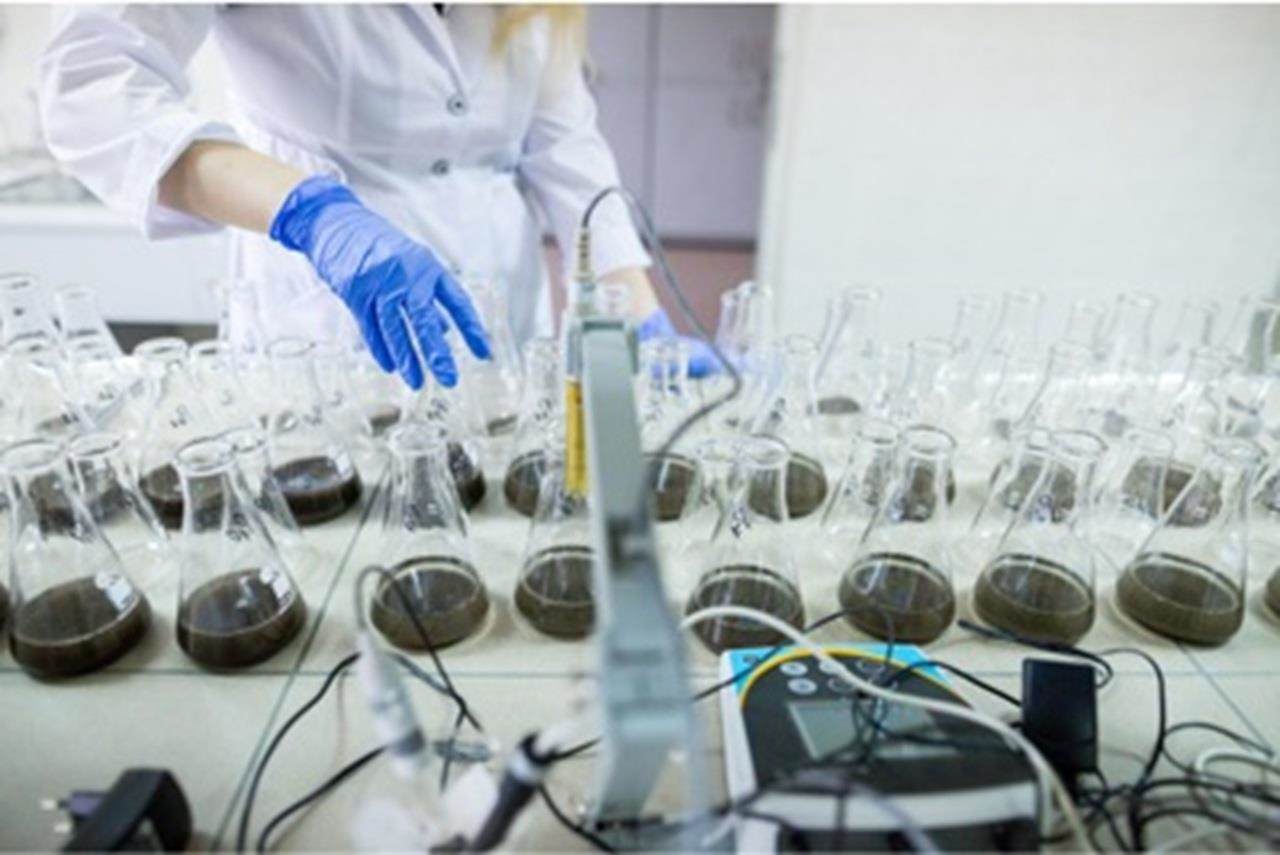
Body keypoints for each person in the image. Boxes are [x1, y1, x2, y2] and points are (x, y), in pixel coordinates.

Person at [39, 4, 715, 389]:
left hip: (502, 308)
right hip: (323, 323)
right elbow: (93, 90)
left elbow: (564, 138)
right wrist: (312, 214)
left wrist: (635, 311)